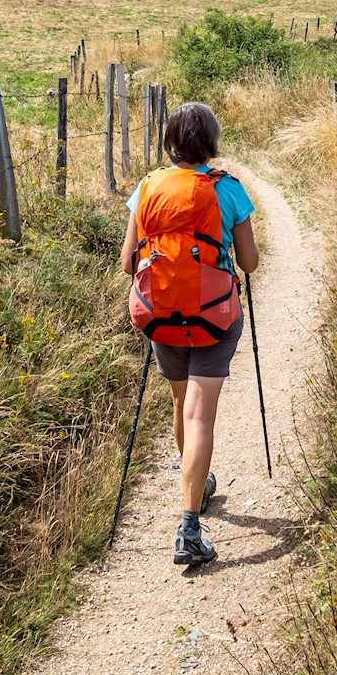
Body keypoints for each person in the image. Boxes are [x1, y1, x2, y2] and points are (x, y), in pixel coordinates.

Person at [122, 101, 259, 567]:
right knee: (201, 415)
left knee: (182, 406)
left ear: (170, 141)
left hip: (160, 314)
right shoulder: (229, 190)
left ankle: (197, 494)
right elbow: (250, 262)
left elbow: (127, 263)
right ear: (212, 143)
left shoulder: (147, 187)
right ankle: (189, 526)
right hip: (214, 317)